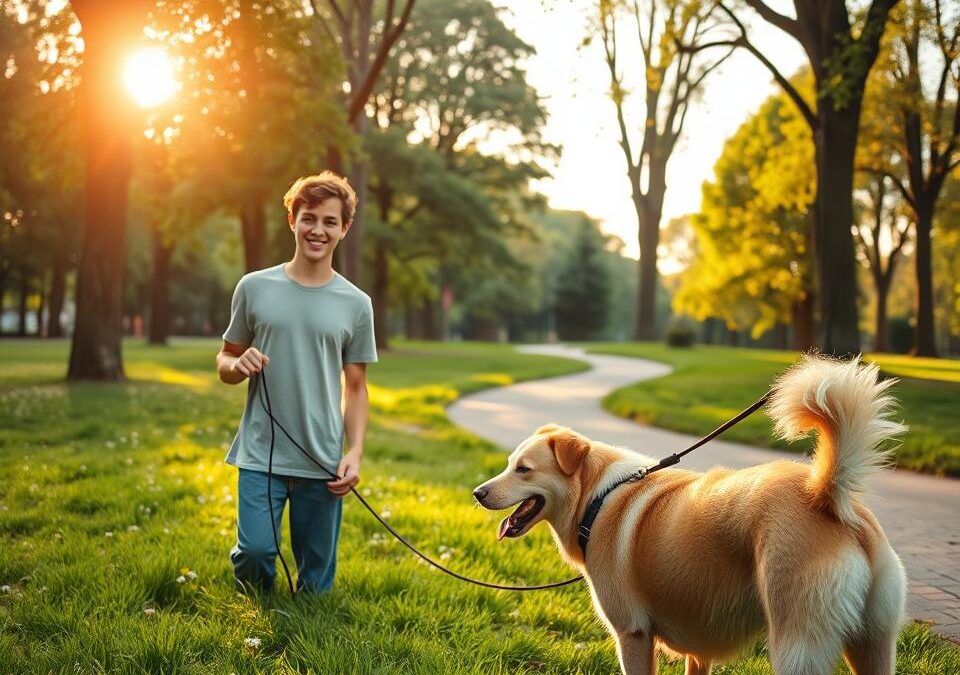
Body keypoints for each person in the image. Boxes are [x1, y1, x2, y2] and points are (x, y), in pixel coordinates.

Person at [216, 171, 377, 593]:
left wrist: (355, 452)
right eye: (308, 218)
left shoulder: (357, 304)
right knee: (254, 553)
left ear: (344, 229)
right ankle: (256, 610)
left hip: (322, 459)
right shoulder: (253, 288)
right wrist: (237, 365)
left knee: (316, 579)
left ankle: (308, 634)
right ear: (292, 220)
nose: (317, 230)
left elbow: (356, 386)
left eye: (329, 221)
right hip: (260, 452)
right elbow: (225, 359)